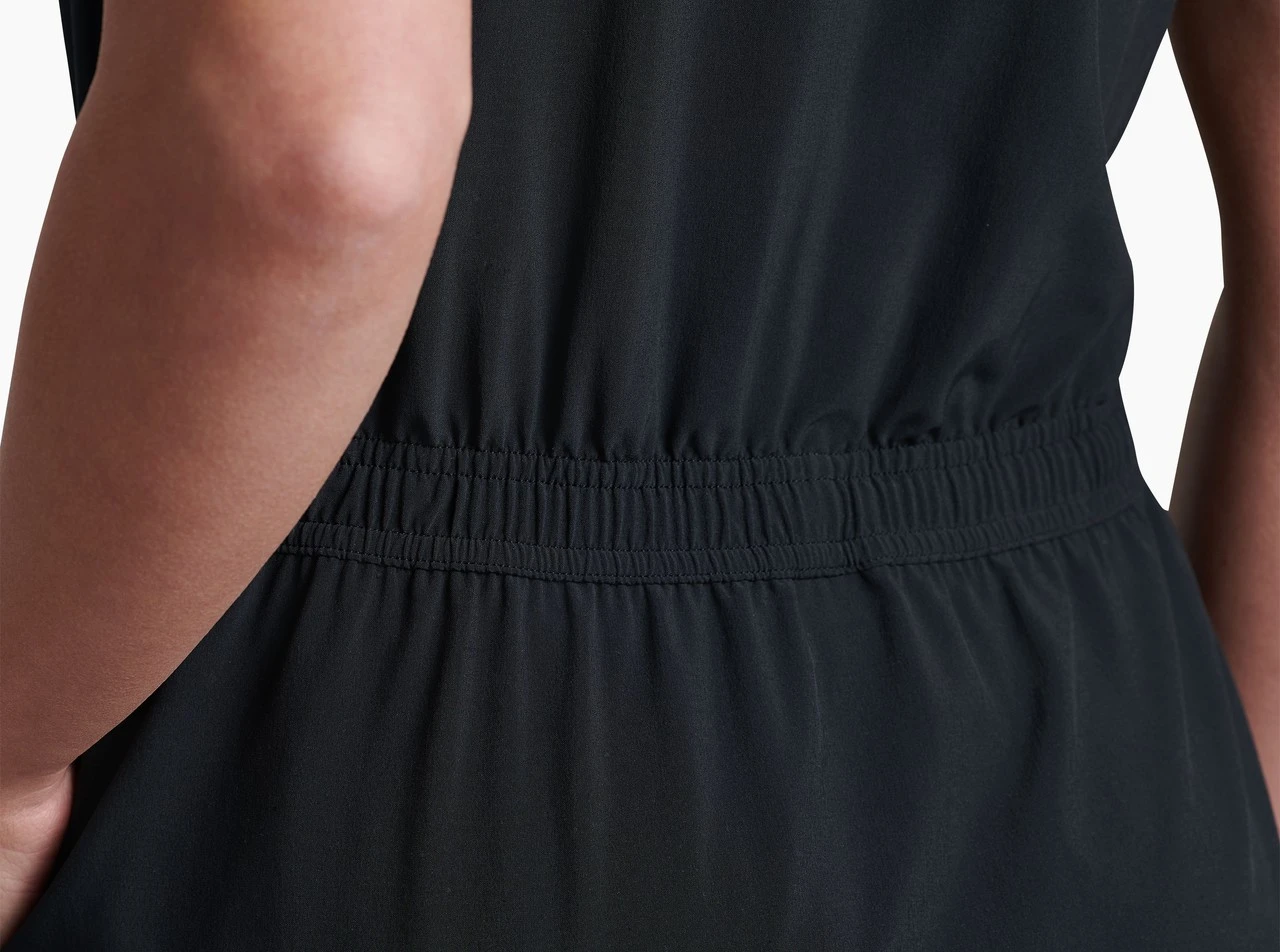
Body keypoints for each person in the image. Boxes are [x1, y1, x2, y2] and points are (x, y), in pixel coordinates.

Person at [1, 0, 1275, 947]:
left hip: (365, 754)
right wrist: (1210, 815)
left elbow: (320, 135)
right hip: (1077, 736)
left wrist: (9, 743)